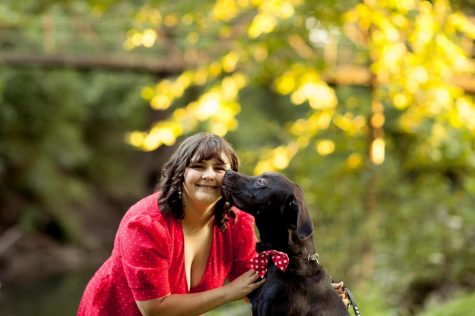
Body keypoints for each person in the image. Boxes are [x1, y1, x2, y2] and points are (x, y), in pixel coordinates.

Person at [77, 132, 348, 316]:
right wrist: (228, 292)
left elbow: (252, 285)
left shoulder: (236, 223)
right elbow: (154, 309)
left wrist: (315, 293)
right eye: (198, 166)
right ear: (180, 172)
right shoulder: (146, 225)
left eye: (219, 168)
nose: (209, 175)